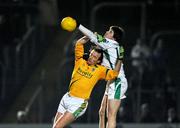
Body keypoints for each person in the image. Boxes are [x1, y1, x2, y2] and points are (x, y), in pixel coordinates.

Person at [52, 36, 122, 128]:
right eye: (91, 54)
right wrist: (89, 36)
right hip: (66, 97)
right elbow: (79, 43)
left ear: (98, 60)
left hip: (78, 103)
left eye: (95, 57)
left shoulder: (100, 70)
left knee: (57, 127)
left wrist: (120, 59)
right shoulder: (80, 61)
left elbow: (115, 74)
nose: (91, 57)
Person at [78, 24, 128, 128]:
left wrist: (78, 25)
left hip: (117, 81)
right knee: (102, 112)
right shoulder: (110, 46)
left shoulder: (110, 43)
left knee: (111, 115)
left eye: (110, 31)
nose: (106, 32)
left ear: (114, 37)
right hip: (112, 81)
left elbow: (91, 35)